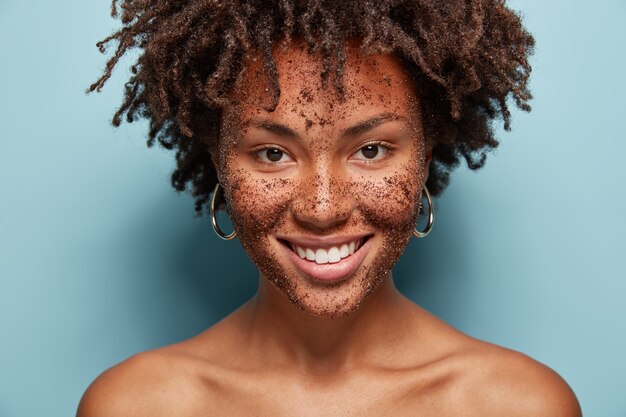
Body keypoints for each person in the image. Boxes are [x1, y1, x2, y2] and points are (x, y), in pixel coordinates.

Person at [78, 1, 582, 415]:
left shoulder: (519, 405)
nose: (323, 209)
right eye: (273, 154)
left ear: (426, 154)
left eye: (370, 150)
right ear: (220, 163)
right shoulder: (135, 406)